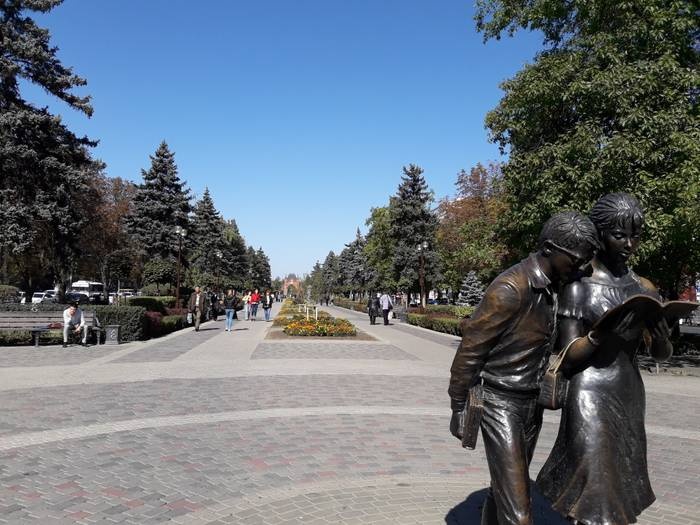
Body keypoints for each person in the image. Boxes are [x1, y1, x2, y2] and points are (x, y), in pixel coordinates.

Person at [448, 211, 599, 525]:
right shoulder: (510, 288)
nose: (580, 267)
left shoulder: (554, 287)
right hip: (500, 404)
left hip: (532, 404)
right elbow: (470, 351)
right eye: (575, 259)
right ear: (549, 249)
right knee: (519, 513)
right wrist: (458, 405)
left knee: (502, 492)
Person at [536, 194, 672, 525]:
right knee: (593, 481)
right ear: (599, 233)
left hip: (628, 392)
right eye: (619, 235)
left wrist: (662, 336)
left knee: (620, 480)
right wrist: (601, 333)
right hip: (588, 391)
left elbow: (660, 355)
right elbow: (568, 356)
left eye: (635, 236)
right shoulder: (579, 285)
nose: (629, 244)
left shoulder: (644, 288)